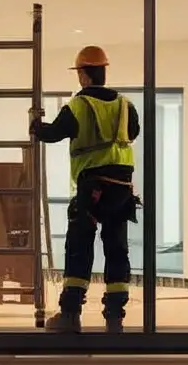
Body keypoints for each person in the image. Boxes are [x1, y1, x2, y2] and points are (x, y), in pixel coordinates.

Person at [29, 45, 141, 333]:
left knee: (79, 247)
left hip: (92, 186)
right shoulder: (125, 104)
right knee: (117, 248)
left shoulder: (79, 105)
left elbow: (53, 134)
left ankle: (70, 315)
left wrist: (34, 123)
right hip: (122, 188)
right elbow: (134, 132)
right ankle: (115, 317)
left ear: (84, 75)